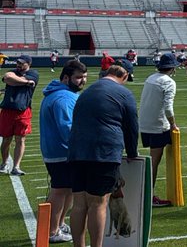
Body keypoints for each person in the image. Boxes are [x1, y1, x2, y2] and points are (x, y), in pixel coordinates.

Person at [68, 63, 138, 247]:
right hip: (103, 152)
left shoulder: (88, 91)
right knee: (98, 203)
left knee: (79, 204)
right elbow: (131, 127)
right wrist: (132, 152)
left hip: (77, 151)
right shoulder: (123, 94)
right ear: (124, 76)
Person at [40, 59, 88, 243]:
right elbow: (67, 128)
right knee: (60, 191)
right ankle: (52, 231)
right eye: (78, 77)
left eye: (84, 77)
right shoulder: (63, 97)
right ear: (66, 77)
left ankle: (58, 224)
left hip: (59, 151)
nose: (82, 81)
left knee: (67, 189)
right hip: (62, 152)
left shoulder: (61, 93)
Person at [137, 52, 179, 207]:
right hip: (158, 125)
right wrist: (173, 123)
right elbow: (168, 107)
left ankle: (146, 192)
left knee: (152, 160)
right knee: (154, 162)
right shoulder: (168, 82)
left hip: (145, 123)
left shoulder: (150, 78)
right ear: (172, 67)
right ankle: (148, 195)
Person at [1, 53, 39, 176]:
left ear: (28, 64)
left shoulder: (34, 74)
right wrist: (25, 82)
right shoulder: (13, 71)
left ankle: (16, 166)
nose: (18, 65)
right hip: (7, 110)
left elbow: (12, 80)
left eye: (22, 63)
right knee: (6, 139)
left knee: (20, 139)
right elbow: (7, 78)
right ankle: (4, 162)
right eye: (18, 62)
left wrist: (18, 81)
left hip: (23, 111)